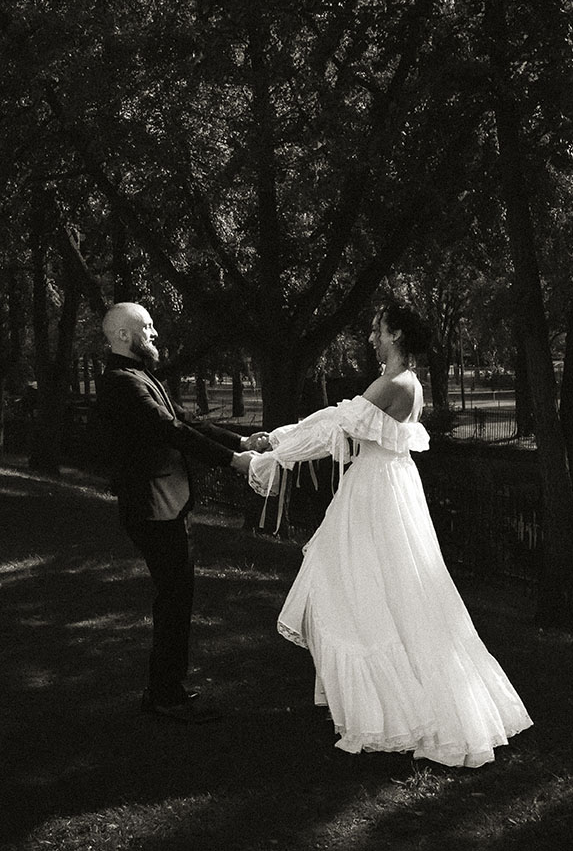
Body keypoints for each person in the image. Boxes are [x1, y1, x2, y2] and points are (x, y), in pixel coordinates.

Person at [249, 303, 533, 766]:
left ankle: (387, 710)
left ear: (396, 334)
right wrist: (278, 439)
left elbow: (334, 431)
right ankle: (372, 701)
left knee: (359, 588)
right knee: (383, 591)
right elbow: (334, 419)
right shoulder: (404, 383)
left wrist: (271, 456)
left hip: (377, 492)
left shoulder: (394, 384)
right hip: (386, 486)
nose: (372, 338)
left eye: (377, 330)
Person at [96, 302, 268, 722]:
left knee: (177, 598)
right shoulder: (120, 381)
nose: (154, 334)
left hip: (168, 504)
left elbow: (184, 418)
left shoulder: (140, 374)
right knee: (173, 599)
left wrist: (240, 442)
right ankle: (163, 695)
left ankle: (166, 689)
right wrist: (233, 462)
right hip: (153, 507)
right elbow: (168, 430)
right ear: (122, 335)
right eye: (147, 327)